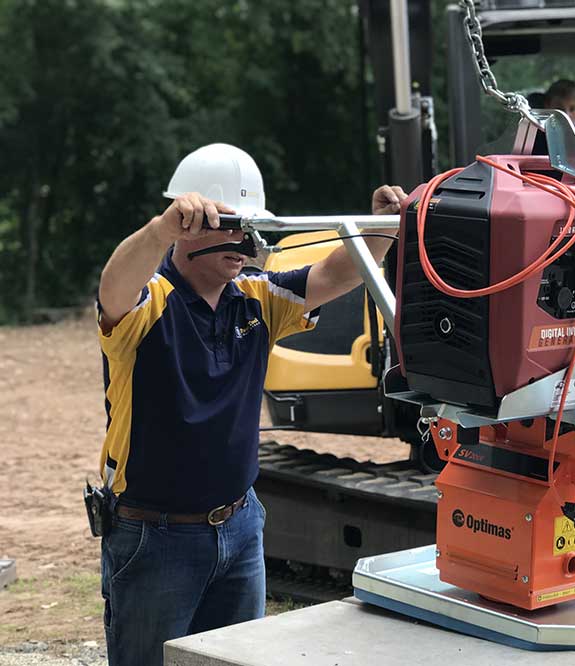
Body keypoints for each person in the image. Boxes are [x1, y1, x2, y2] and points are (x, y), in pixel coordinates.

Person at [95, 143, 401, 666]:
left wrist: (381, 227)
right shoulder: (148, 304)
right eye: (233, 226)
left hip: (240, 528)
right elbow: (113, 289)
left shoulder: (257, 298)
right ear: (189, 223)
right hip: (155, 537)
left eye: (250, 228)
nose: (245, 242)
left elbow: (334, 274)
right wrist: (159, 230)